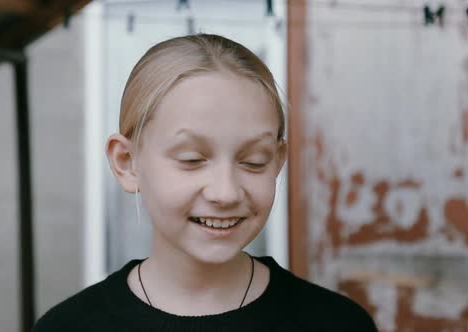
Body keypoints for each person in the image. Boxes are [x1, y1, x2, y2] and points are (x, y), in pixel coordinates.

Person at [33, 33, 378, 331]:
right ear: (127, 162)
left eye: (253, 161)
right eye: (192, 160)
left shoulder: (337, 324)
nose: (225, 192)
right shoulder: (68, 327)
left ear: (277, 161)